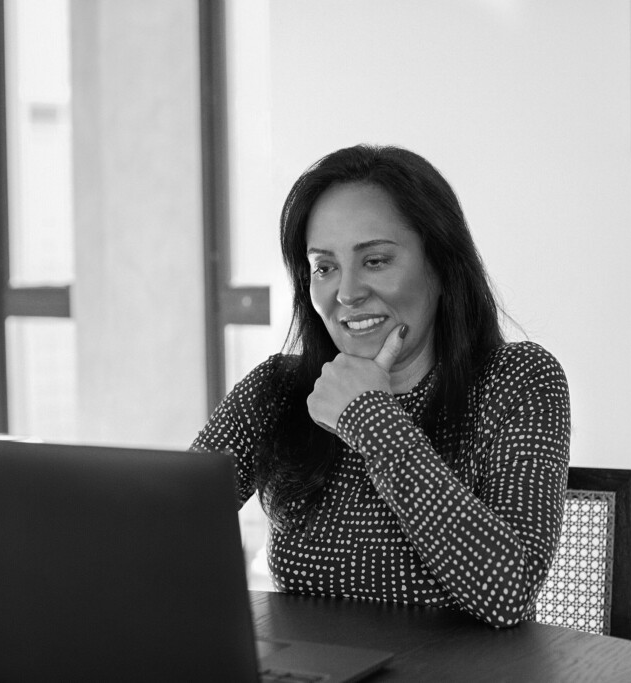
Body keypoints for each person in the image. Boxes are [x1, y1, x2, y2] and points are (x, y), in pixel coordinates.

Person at [191, 144, 570, 627]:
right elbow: (164, 532)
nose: (347, 293)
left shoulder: (518, 380)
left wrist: (370, 417)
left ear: (440, 265)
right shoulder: (277, 391)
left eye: (375, 261)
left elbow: (507, 592)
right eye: (324, 267)